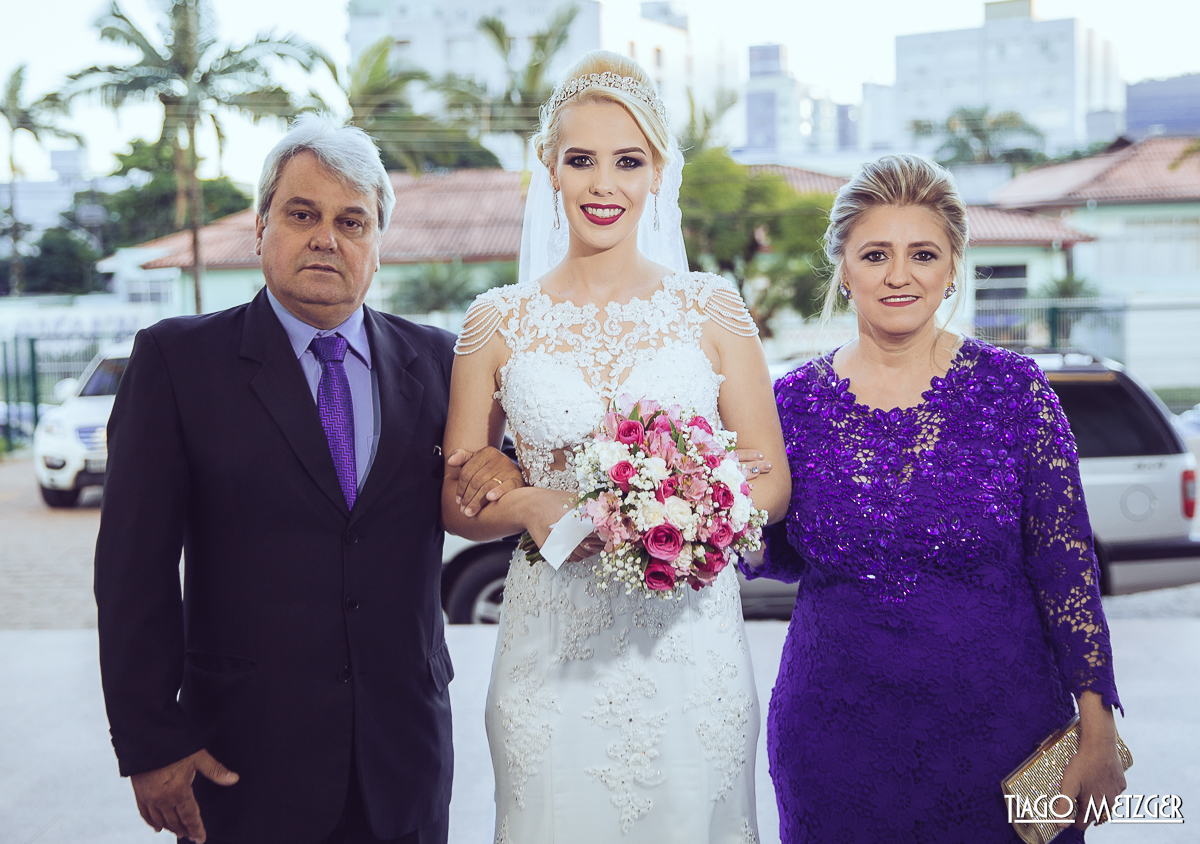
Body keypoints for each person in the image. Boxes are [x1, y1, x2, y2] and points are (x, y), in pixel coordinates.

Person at [93, 115, 522, 844]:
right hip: (240, 761)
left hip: (403, 757)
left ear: (378, 247)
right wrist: (149, 740)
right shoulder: (177, 363)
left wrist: (504, 470)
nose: (327, 237)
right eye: (302, 214)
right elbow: (133, 570)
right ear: (261, 229)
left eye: (353, 221)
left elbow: (482, 494)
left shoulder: (446, 367)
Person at [442, 51, 791, 842]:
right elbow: (457, 504)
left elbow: (770, 484)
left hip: (688, 647)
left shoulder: (713, 308)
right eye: (582, 160)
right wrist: (530, 502)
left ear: (659, 172)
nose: (605, 184)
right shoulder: (494, 322)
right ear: (551, 171)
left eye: (628, 161)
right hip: (551, 650)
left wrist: (694, 511)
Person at [747, 154, 1126, 843]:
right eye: (875, 254)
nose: (899, 275)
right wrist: (694, 502)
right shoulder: (791, 405)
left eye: (922, 253)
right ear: (843, 267)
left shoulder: (1015, 391)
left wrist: (1095, 722)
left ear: (952, 266)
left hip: (1006, 738)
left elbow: (1066, 568)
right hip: (833, 744)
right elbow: (769, 552)